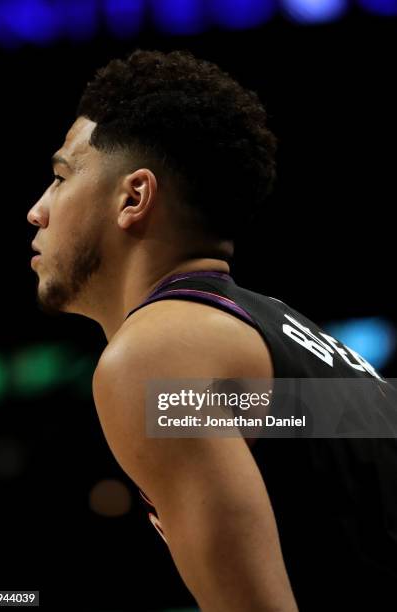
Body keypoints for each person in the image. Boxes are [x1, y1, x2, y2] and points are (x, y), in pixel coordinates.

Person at [27, 49, 397, 611]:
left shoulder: (154, 355)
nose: (37, 210)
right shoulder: (278, 331)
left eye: (59, 178)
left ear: (134, 197)